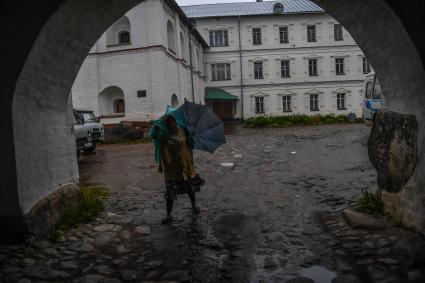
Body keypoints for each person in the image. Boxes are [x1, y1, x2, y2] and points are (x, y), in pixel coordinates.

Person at [151, 114, 204, 224]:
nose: (172, 123)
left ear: (176, 121)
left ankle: (194, 206)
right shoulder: (164, 134)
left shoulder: (182, 129)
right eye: (169, 121)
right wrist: (155, 129)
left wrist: (190, 139)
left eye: (173, 121)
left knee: (191, 188)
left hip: (186, 164)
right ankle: (168, 215)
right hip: (172, 168)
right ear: (166, 123)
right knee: (170, 192)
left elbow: (189, 142)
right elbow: (155, 136)